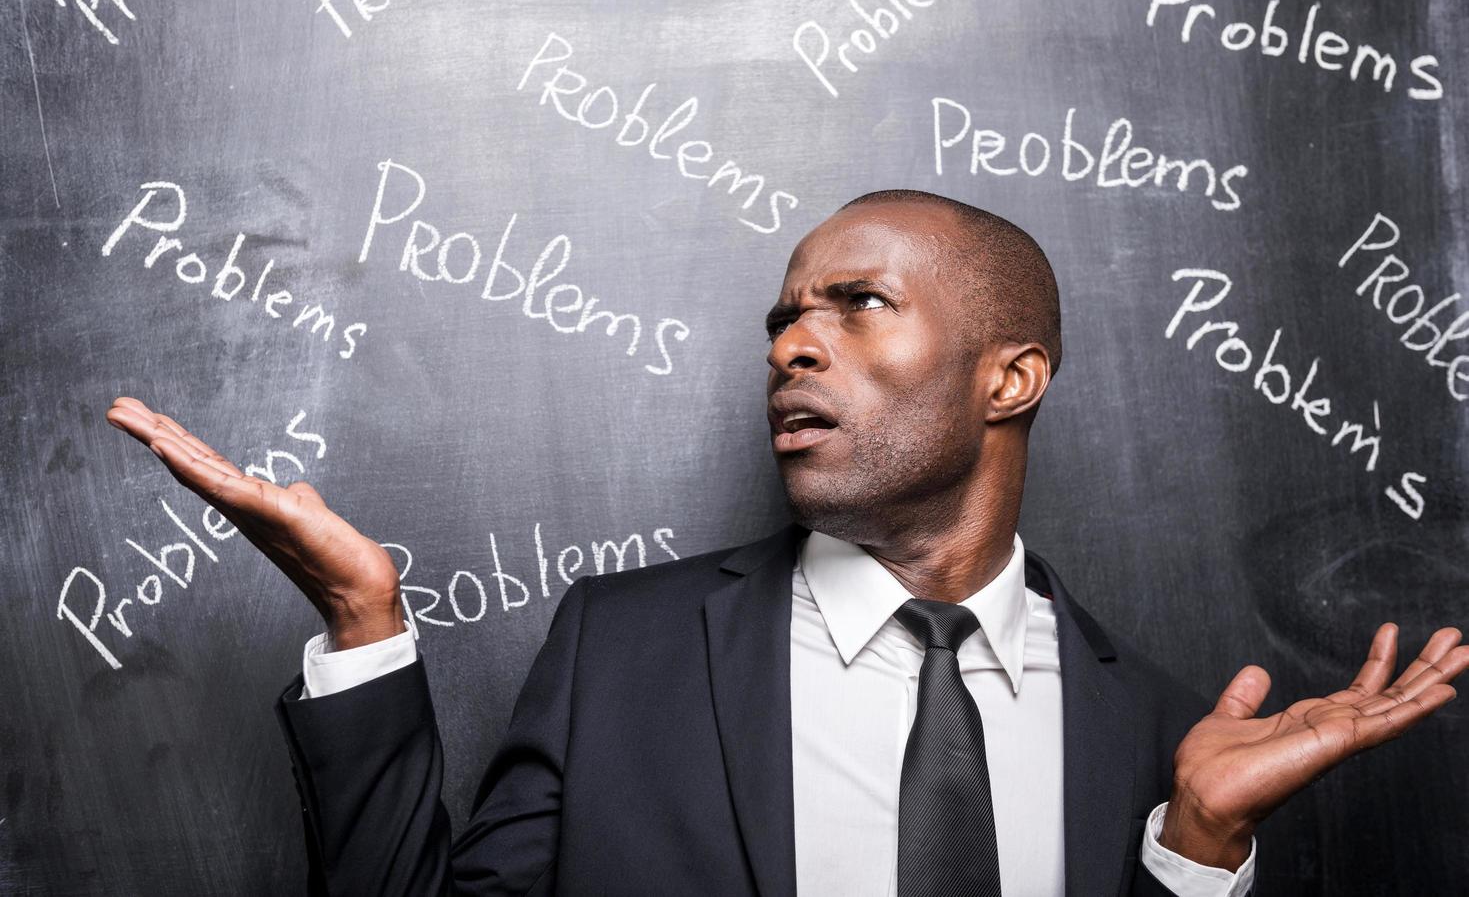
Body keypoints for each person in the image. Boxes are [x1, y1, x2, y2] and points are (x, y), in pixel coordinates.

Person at [106, 190, 1467, 896]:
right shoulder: (619, 652)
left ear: (1009, 379)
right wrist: (362, 629)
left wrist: (1197, 848)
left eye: (855, 303)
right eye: (780, 318)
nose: (792, 342)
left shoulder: (1165, 733)